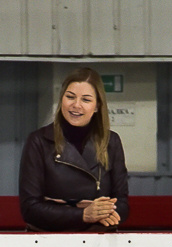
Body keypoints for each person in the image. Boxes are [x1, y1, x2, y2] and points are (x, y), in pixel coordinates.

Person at [19, 67, 129, 231]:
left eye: (86, 100)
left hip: (98, 242)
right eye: (70, 97)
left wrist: (105, 213)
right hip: (49, 241)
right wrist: (83, 215)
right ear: (62, 99)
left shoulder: (111, 141)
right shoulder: (38, 142)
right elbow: (30, 208)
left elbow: (122, 204)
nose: (76, 105)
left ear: (97, 106)